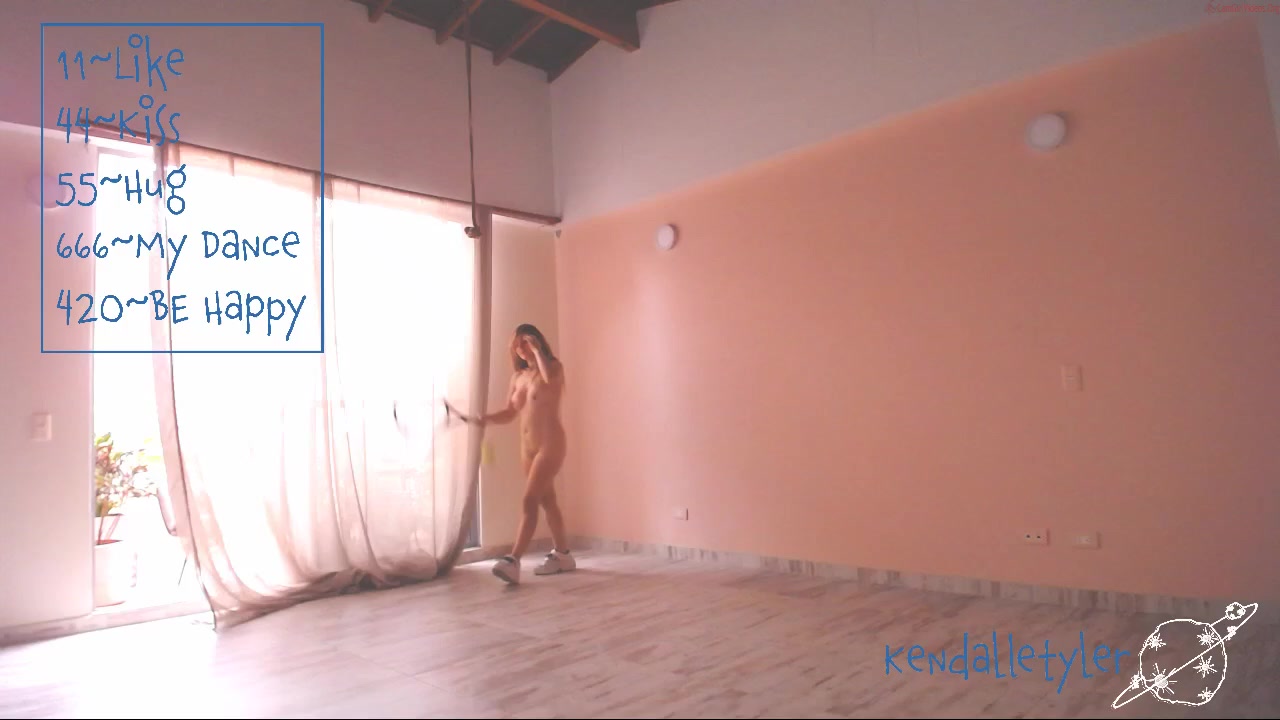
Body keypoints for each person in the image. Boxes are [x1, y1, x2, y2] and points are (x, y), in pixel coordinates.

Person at [469, 323, 574, 584]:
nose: (522, 349)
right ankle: (563, 555)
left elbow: (548, 379)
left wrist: (538, 352)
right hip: (527, 449)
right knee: (548, 501)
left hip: (550, 444)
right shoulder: (518, 378)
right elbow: (509, 412)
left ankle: (513, 560)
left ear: (537, 341)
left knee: (529, 500)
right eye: (518, 345)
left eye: (526, 342)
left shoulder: (554, 368)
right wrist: (484, 419)